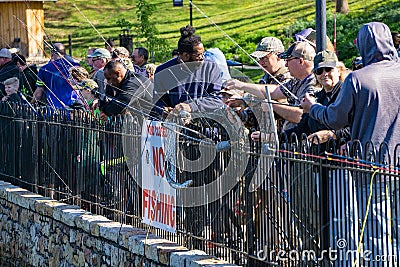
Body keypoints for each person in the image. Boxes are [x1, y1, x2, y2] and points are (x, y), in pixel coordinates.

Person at [302, 21, 400, 264]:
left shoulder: (357, 78)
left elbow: (334, 118)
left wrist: (313, 108)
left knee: (377, 231)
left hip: (372, 166)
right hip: (395, 164)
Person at [226, 41, 317, 132]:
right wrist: (242, 86)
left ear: (301, 61)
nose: (286, 64)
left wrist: (272, 105)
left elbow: (300, 116)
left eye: (288, 60)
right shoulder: (296, 81)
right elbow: (275, 91)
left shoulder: (314, 83)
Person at [153, 25, 223, 117]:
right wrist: (162, 110)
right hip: (174, 122)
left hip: (204, 120)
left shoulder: (211, 68)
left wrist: (190, 106)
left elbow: (217, 99)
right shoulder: (163, 71)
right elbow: (157, 100)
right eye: (198, 55)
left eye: (203, 54)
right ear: (185, 55)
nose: (202, 58)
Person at [32, 43, 80, 109]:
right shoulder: (76, 66)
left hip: (54, 110)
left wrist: (31, 103)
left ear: (51, 53)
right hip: (74, 110)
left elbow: (39, 92)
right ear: (65, 53)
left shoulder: (44, 69)